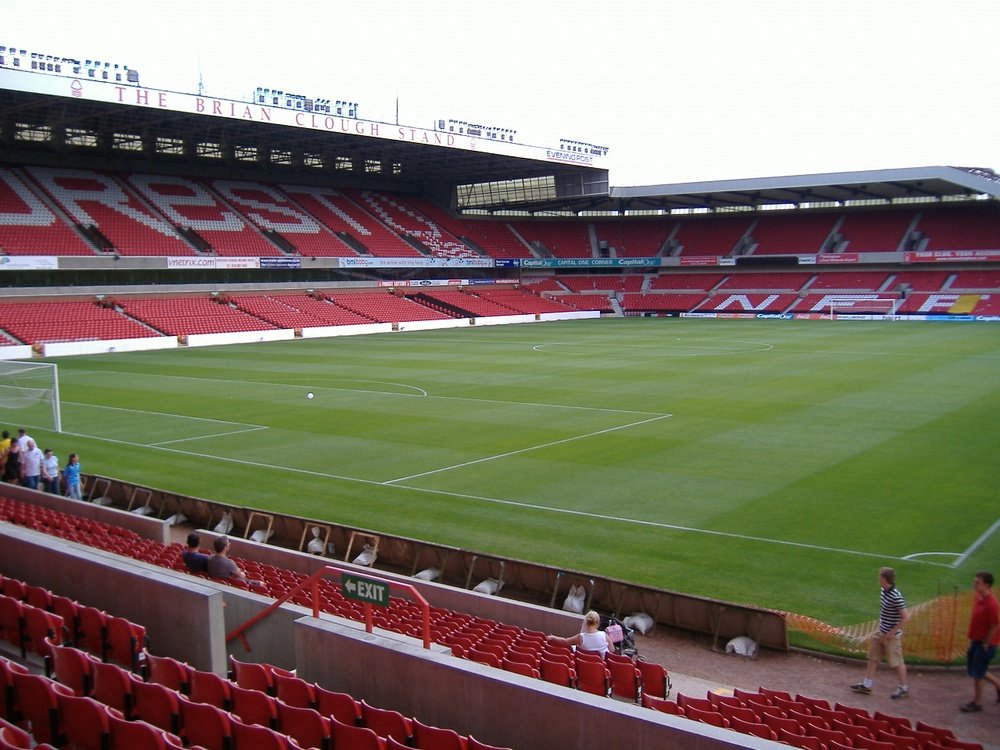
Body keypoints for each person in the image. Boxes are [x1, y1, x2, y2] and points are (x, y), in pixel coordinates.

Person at [851, 566, 910, 699]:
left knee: (896, 662)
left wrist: (893, 631)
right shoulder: (883, 591)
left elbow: (906, 617)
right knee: (873, 657)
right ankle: (867, 684)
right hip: (880, 632)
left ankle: (903, 687)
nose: (878, 578)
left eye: (879, 576)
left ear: (884, 579)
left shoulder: (896, 597)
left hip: (891, 636)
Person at [960, 571, 1000, 713]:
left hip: (984, 644)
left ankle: (977, 703)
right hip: (976, 641)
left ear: (987, 585)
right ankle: (998, 686)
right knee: (977, 670)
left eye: (977, 582)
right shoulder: (978, 597)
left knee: (977, 674)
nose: (974, 584)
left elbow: (995, 625)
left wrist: (986, 643)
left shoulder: (991, 604)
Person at [546, 610, 614, 657]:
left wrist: (553, 637)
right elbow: (612, 650)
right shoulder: (604, 635)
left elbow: (565, 641)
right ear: (597, 623)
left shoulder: (580, 637)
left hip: (582, 666)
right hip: (600, 668)